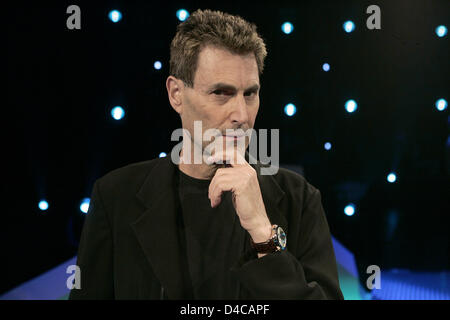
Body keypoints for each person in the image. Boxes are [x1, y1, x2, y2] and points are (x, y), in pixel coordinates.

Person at [69, 9, 343, 300]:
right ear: (176, 94)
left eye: (250, 94)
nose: (241, 115)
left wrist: (263, 234)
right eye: (221, 93)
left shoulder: (299, 199)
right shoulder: (115, 196)